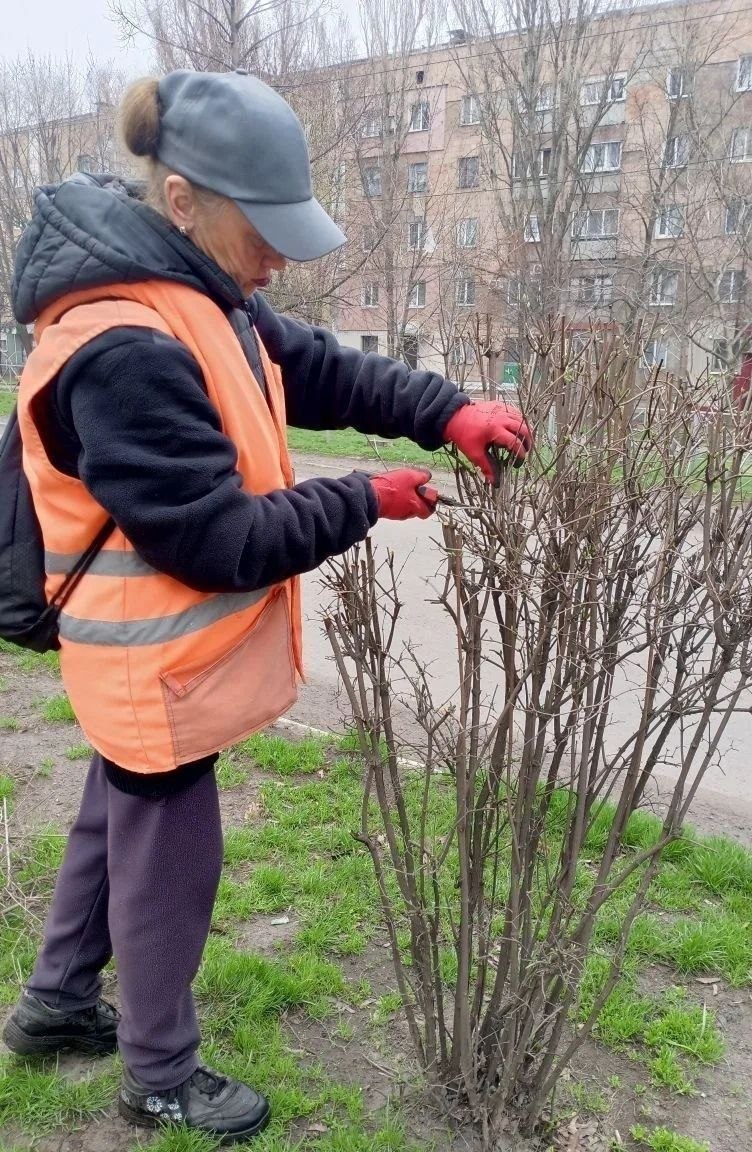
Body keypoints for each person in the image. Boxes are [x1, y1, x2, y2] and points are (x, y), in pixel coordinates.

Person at [1, 69, 532, 1144]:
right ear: (185, 198)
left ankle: (58, 1002)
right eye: (267, 227)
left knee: (119, 809)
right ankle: (158, 1071)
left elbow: (320, 368)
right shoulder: (124, 343)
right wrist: (361, 499)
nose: (284, 254)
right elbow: (214, 541)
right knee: (172, 855)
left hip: (143, 670)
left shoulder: (197, 297)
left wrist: (448, 411)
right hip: (152, 660)